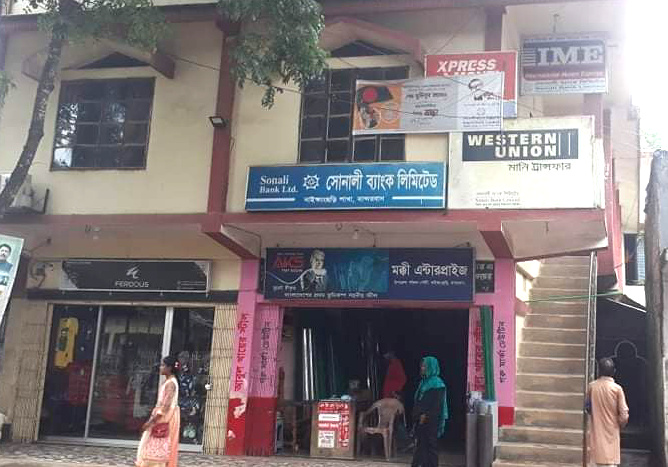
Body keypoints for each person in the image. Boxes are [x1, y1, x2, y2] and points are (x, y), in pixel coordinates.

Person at [136, 356, 181, 467]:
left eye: (162, 365)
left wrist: (151, 421)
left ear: (169, 368)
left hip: (165, 417)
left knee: (157, 444)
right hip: (165, 415)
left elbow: (165, 406)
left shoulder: (170, 384)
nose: (160, 367)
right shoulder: (169, 381)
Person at [586, 358, 629, 467]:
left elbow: (587, 407)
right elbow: (624, 415)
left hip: (596, 440)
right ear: (614, 371)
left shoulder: (592, 387)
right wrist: (619, 424)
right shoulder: (617, 389)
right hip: (612, 437)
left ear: (598, 371)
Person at [412, 356, 448, 467]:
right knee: (420, 446)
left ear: (431, 367)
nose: (422, 368)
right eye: (422, 366)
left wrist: (425, 416)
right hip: (420, 420)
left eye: (424, 366)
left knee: (431, 446)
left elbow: (436, 405)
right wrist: (418, 416)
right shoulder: (423, 383)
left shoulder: (438, 384)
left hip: (431, 421)